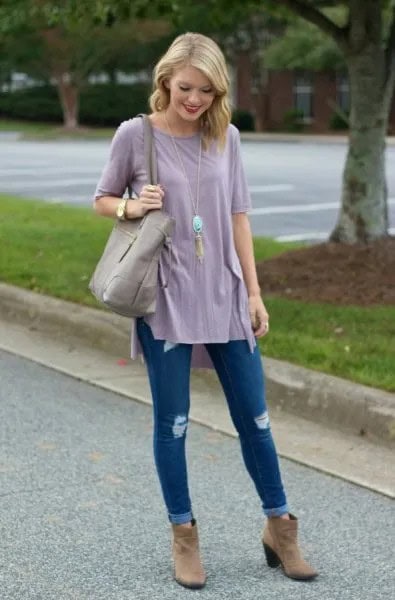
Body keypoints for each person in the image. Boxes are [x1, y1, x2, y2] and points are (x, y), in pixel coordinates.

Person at [93, 32, 317, 590]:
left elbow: (239, 215)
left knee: (256, 420)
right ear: (166, 80)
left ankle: (280, 527)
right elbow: (102, 199)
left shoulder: (227, 138)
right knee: (173, 425)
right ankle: (183, 533)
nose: (195, 100)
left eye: (207, 90)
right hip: (165, 297)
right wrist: (130, 204)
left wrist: (255, 293)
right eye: (186, 88)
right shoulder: (135, 135)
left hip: (225, 292)